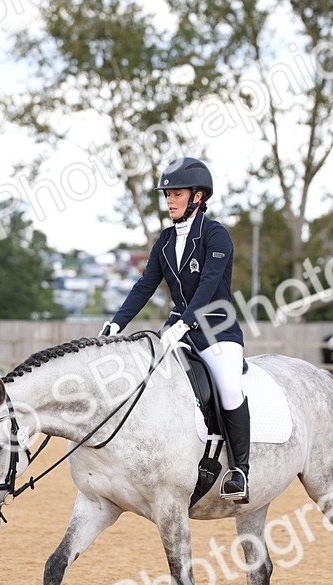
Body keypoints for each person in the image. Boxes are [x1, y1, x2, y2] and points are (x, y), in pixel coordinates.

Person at [100, 156, 251, 503]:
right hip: (177, 328)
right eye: (167, 194)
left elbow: (209, 285)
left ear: (198, 196)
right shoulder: (166, 241)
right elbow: (144, 286)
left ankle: (240, 470)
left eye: (177, 194)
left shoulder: (216, 235)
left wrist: (185, 322)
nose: (169, 200)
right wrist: (116, 323)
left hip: (216, 329)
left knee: (229, 388)